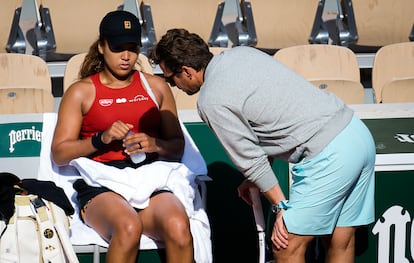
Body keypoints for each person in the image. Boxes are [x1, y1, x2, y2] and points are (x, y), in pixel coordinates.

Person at [150, 28, 376, 263]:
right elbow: (271, 116)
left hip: (330, 154)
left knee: (286, 246)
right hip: (356, 134)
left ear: (186, 71)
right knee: (341, 240)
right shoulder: (242, 53)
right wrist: (255, 180)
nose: (173, 86)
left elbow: (251, 160)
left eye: (171, 79)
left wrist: (280, 206)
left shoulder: (211, 101)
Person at [51, 11, 194, 263]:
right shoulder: (81, 92)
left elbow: (177, 147)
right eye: (118, 48)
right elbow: (60, 154)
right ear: (101, 47)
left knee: (178, 225)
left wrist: (154, 144)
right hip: (100, 186)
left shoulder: (157, 87)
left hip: (149, 180)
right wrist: (99, 139)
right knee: (128, 227)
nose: (126, 56)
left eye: (132, 48)